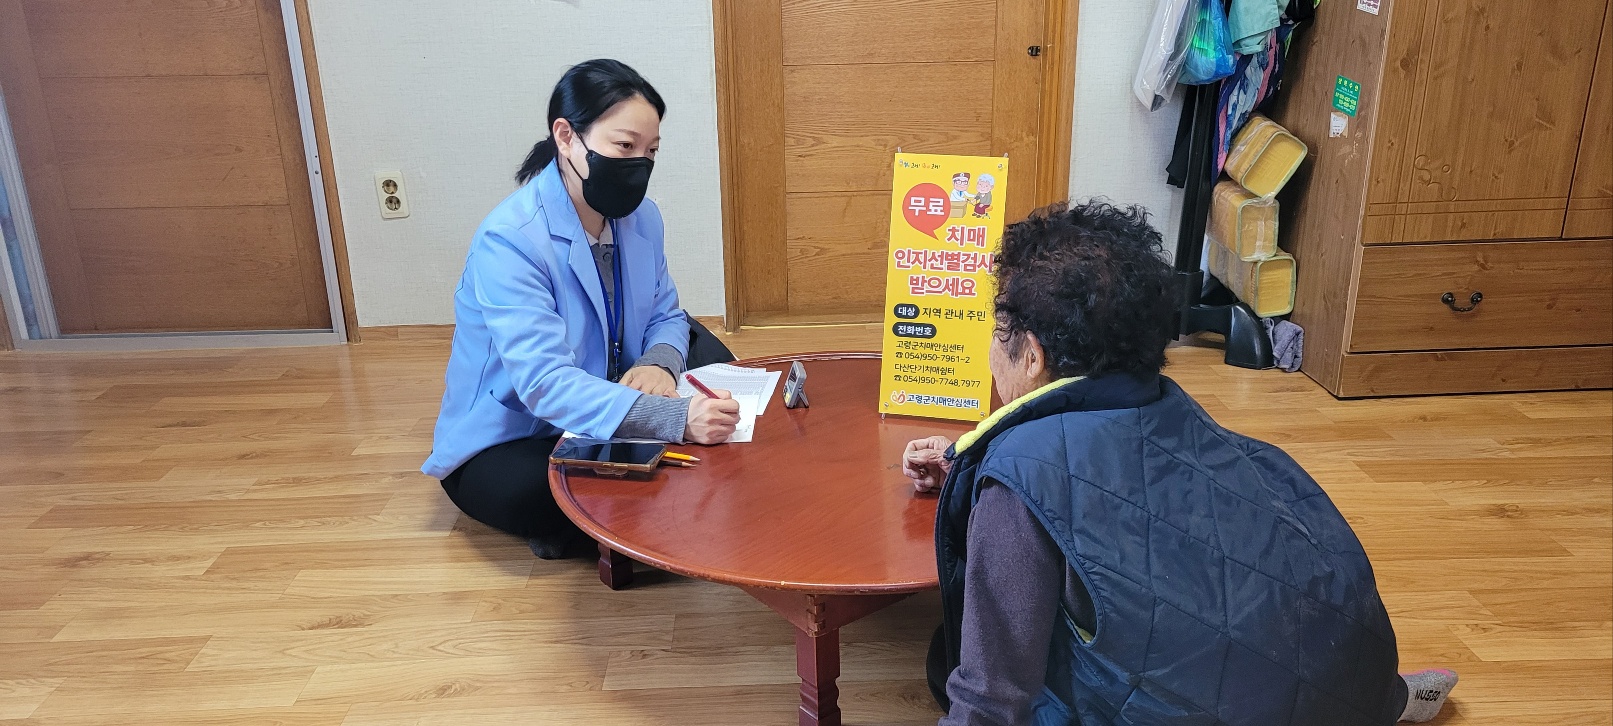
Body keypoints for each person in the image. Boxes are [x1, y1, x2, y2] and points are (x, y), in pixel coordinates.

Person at [901, 201, 1458, 725]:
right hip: (1348, 681)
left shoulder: (1020, 472)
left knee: (945, 656)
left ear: (1031, 355)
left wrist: (998, 482)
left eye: (995, 331)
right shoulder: (1170, 408)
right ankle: (1395, 700)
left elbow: (991, 698)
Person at [422, 59, 740, 558]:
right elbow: (545, 384)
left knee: (711, 354)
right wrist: (674, 419)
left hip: (609, 381)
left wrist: (658, 364)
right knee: (537, 490)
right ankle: (615, 509)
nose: (639, 163)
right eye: (625, 146)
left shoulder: (642, 218)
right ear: (566, 137)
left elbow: (666, 313)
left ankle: (613, 513)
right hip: (521, 431)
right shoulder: (510, 239)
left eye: (651, 151)